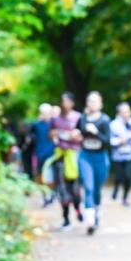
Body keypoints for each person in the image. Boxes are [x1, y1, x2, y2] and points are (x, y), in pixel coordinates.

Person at [78, 91, 112, 235]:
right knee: (88, 187)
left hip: (100, 158)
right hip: (85, 157)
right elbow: (77, 132)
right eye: (90, 101)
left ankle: (96, 213)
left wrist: (96, 132)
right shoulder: (83, 118)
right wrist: (76, 134)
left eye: (95, 101)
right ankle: (90, 221)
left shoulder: (104, 120)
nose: (92, 104)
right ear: (87, 103)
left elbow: (107, 141)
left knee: (97, 189)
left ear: (100, 104)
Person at [49, 92, 84, 231]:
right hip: (60, 156)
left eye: (68, 101)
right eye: (63, 101)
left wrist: (75, 136)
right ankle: (66, 219)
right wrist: (55, 136)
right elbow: (50, 134)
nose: (65, 104)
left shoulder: (78, 117)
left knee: (75, 189)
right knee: (62, 189)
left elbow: (83, 136)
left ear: (72, 103)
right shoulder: (55, 119)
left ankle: (77, 209)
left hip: (74, 156)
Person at [109, 102, 131, 206]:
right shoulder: (113, 124)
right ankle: (116, 187)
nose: (126, 113)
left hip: (130, 155)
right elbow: (110, 141)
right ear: (119, 113)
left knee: (128, 176)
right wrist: (120, 140)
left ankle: (125, 197)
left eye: (128, 111)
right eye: (123, 111)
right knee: (119, 176)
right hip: (118, 156)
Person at [33, 103, 57, 206]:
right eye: (43, 113)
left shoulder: (54, 124)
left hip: (52, 154)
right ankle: (44, 196)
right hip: (40, 154)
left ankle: (51, 194)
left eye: (47, 112)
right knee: (40, 177)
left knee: (51, 176)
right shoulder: (36, 125)